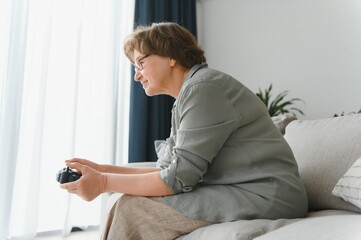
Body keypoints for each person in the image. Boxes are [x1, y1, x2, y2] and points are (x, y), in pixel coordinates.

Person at [60, 22, 308, 240]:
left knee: (132, 209)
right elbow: (166, 170)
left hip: (267, 196)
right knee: (127, 201)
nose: (136, 76)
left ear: (170, 56)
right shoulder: (188, 96)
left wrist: (103, 182)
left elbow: (178, 178)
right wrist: (100, 169)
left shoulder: (205, 88)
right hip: (241, 190)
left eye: (140, 62)